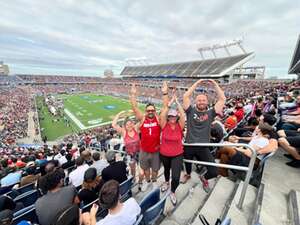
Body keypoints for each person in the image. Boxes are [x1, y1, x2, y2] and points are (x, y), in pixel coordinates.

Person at [181, 79, 226, 192]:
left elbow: (222, 99)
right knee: (187, 163)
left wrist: (215, 84)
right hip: (189, 144)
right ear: (196, 101)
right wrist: (197, 83)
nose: (201, 102)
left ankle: (204, 177)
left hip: (203, 146)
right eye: (199, 100)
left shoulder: (211, 113)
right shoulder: (190, 111)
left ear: (207, 102)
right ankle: (188, 174)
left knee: (214, 171)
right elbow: (185, 97)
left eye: (203, 100)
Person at [130, 84, 161, 191]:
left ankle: (155, 181)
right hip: (144, 150)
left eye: (152, 110)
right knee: (146, 169)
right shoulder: (143, 118)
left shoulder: (158, 119)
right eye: (148, 110)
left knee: (155, 169)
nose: (150, 112)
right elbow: (134, 108)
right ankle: (148, 182)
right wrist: (133, 94)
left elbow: (166, 108)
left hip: (156, 150)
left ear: (155, 111)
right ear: (146, 111)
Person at [159, 82, 185, 205]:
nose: (172, 118)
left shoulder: (180, 126)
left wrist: (176, 101)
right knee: (166, 171)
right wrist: (169, 104)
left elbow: (183, 114)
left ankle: (173, 191)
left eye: (174, 116)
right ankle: (166, 182)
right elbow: (163, 113)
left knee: (176, 177)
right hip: (164, 153)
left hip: (177, 154)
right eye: (170, 116)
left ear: (177, 117)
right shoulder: (164, 125)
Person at [112, 110, 140, 180]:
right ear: (125, 126)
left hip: (139, 152)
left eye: (130, 123)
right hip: (130, 154)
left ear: (133, 124)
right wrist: (120, 113)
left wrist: (134, 112)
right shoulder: (124, 132)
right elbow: (114, 124)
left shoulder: (136, 128)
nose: (129, 125)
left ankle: (141, 181)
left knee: (142, 168)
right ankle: (134, 179)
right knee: (133, 169)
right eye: (127, 124)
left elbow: (142, 119)